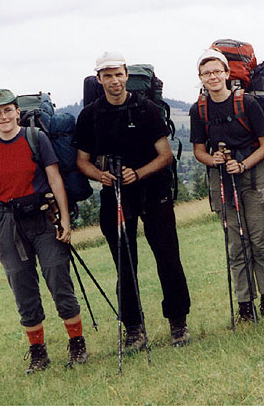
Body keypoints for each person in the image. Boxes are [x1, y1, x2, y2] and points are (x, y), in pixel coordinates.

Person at [74, 51, 191, 348]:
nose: (114, 80)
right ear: (98, 79)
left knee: (168, 257)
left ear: (126, 74)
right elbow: (82, 161)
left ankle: (178, 323)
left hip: (153, 188)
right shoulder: (90, 115)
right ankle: (134, 329)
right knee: (124, 263)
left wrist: (137, 174)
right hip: (114, 193)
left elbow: (165, 157)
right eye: (107, 75)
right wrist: (101, 176)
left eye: (118, 74)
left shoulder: (147, 109)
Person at [0, 89, 87, 373]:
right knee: (22, 289)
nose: (3, 117)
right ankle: (38, 352)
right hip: (9, 223)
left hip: (43, 218)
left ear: (17, 111)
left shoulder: (36, 138)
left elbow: (55, 178)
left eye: (8, 110)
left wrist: (65, 220)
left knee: (59, 280)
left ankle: (77, 345)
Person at [189, 49, 264, 321]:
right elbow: (198, 151)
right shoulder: (199, 110)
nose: (213, 77)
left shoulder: (248, 104)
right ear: (201, 78)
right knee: (236, 245)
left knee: (260, 241)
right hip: (223, 180)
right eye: (207, 73)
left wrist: (243, 165)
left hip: (254, 176)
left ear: (228, 74)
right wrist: (213, 159)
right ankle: (245, 306)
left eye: (218, 71)